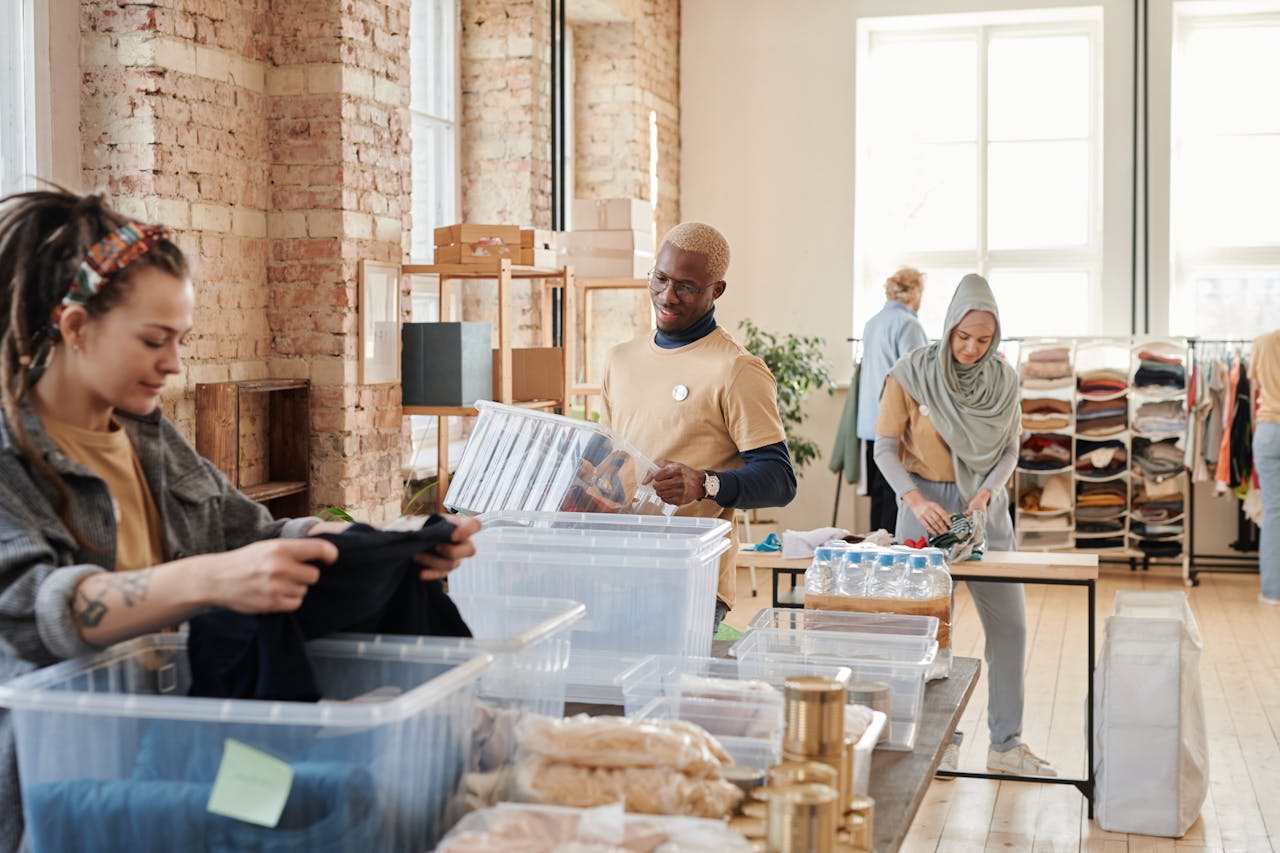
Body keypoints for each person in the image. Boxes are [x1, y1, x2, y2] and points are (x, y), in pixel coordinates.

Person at [0, 189, 481, 848]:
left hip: (190, 748)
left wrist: (357, 545)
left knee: (333, 820)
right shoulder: (8, 460)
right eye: (153, 340)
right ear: (77, 327)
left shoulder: (148, 437)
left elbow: (250, 536)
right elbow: (36, 612)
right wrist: (213, 580)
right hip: (67, 785)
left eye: (181, 340)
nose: (173, 363)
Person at [873, 273, 1056, 778]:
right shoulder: (910, 373)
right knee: (933, 633)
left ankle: (1007, 745)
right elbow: (884, 448)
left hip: (983, 508)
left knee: (1011, 626)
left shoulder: (1005, 380)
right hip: (924, 504)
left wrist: (988, 491)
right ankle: (939, 741)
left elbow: (1012, 448)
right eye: (963, 336)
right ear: (949, 325)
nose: (972, 349)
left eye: (982, 339)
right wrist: (911, 496)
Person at [600, 222, 797, 632]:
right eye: (661, 278)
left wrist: (704, 483)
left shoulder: (737, 369)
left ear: (716, 291)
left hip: (690, 579)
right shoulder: (619, 360)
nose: (667, 296)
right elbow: (609, 457)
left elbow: (780, 480)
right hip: (615, 571)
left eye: (686, 286)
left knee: (676, 695)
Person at [857, 267, 929, 534]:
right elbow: (918, 376)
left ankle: (876, 550)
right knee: (897, 493)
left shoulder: (872, 323)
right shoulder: (909, 324)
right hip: (896, 423)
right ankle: (894, 558)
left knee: (879, 493)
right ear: (916, 292)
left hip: (869, 422)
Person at [1252, 329, 1280, 605]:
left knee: (1273, 511)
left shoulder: (1263, 342)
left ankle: (1272, 592)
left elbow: (1256, 384)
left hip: (1269, 428)